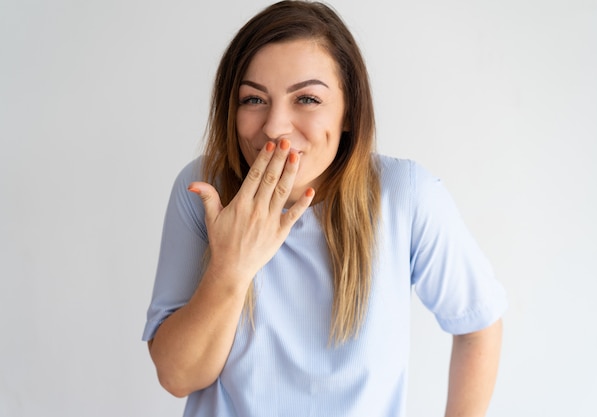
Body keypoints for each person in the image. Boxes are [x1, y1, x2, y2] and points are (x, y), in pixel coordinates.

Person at [143, 1, 507, 416]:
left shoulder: (405, 195)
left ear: (349, 109)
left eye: (308, 99)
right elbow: (178, 376)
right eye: (254, 99)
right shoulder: (206, 190)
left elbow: (478, 324)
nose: (275, 126)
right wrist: (232, 265)